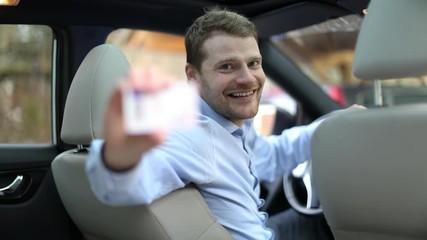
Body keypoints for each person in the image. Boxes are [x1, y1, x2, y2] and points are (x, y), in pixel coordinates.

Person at [86, 7, 362, 240]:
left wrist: (331, 126)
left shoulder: (231, 123)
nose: (248, 79)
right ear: (192, 75)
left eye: (253, 63)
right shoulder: (191, 137)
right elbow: (122, 186)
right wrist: (120, 153)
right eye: (227, 67)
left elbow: (269, 157)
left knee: (314, 222)